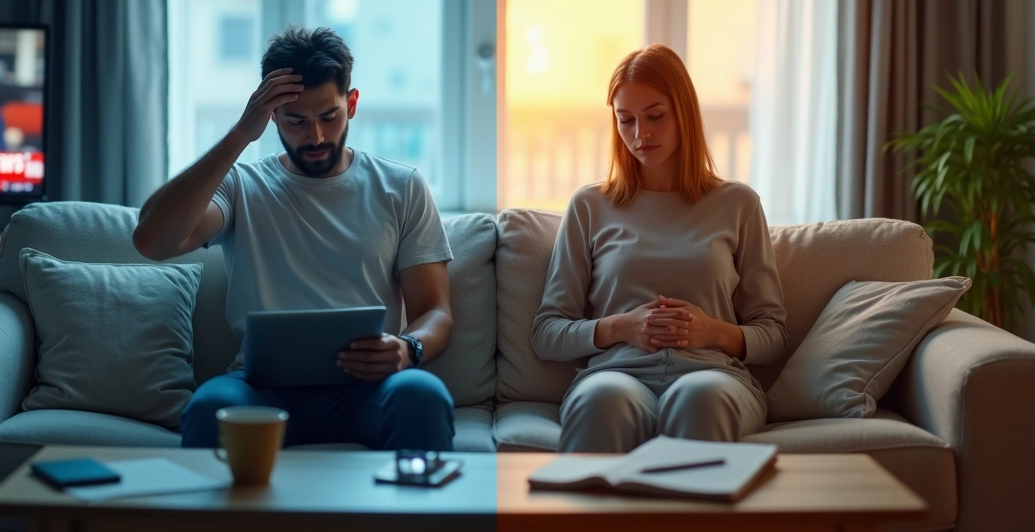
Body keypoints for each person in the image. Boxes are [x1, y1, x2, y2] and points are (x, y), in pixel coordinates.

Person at [133, 26, 456, 451]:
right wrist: (240, 134)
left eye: (329, 117)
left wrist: (407, 348)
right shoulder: (241, 186)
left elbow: (435, 311)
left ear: (351, 104)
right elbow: (152, 242)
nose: (316, 137)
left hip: (368, 388)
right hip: (262, 389)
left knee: (423, 395)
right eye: (297, 121)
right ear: (272, 116)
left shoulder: (401, 186)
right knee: (209, 407)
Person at [531, 44, 789, 454]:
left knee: (700, 398)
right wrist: (620, 327)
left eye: (655, 116)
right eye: (626, 120)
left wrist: (712, 331)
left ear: (684, 113)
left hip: (713, 377)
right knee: (603, 401)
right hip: (615, 376)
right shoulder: (589, 206)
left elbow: (774, 335)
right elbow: (546, 333)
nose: (641, 134)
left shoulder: (738, 204)